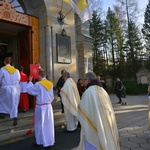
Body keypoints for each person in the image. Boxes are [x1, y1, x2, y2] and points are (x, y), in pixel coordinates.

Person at [77, 72, 120, 150]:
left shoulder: (88, 92)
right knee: (104, 137)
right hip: (105, 120)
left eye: (84, 80)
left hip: (94, 123)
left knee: (94, 142)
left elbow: (82, 109)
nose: (83, 81)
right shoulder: (102, 90)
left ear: (88, 80)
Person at [27, 69, 55, 149]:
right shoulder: (50, 83)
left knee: (38, 124)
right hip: (48, 106)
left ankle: (39, 141)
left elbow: (31, 91)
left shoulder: (38, 84)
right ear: (45, 75)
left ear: (39, 76)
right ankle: (49, 142)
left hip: (40, 106)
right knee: (48, 124)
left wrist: (30, 81)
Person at [0, 57, 20, 126]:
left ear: (4, 62)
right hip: (14, 88)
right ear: (10, 62)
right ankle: (15, 118)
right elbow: (18, 79)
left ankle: (3, 114)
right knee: (14, 103)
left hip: (5, 87)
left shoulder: (2, 69)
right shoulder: (16, 70)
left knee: (2, 101)